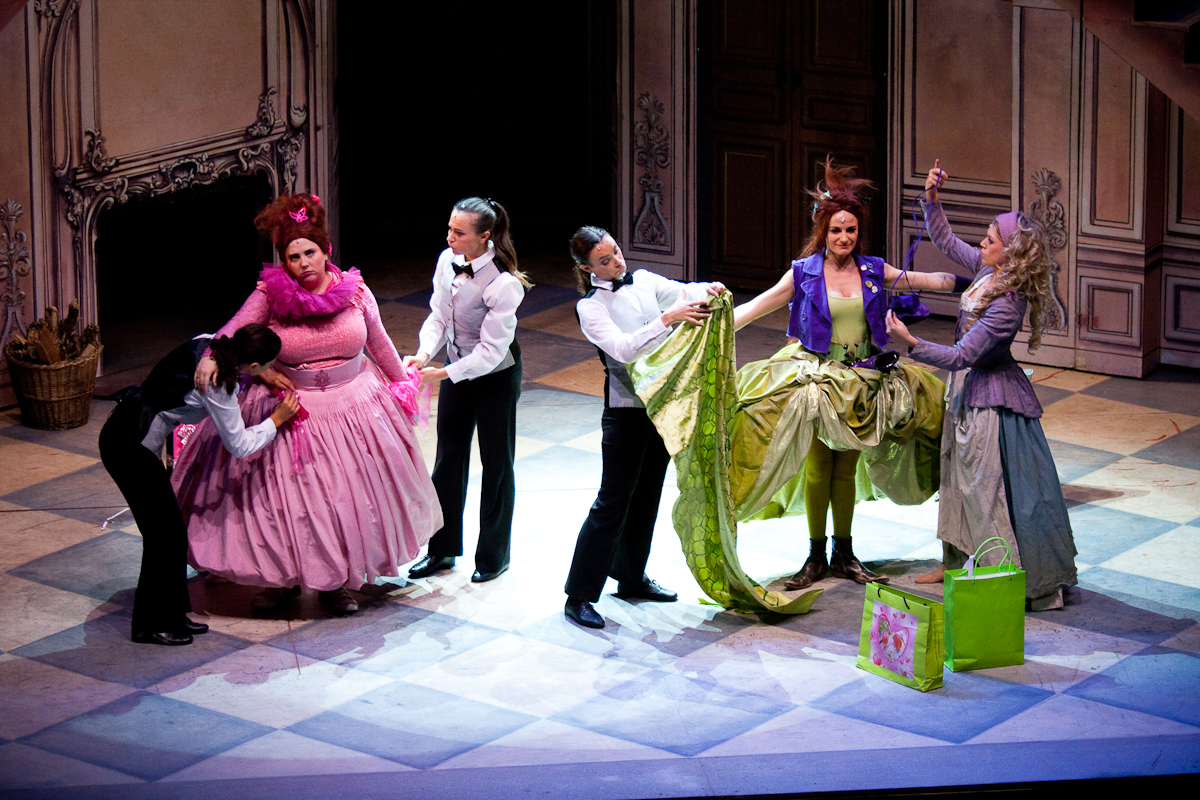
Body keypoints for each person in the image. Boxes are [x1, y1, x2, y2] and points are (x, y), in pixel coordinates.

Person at [177, 193, 442, 615]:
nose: (303, 263)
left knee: (344, 500)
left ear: (326, 251)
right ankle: (283, 581)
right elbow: (234, 329)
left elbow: (380, 343)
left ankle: (335, 584)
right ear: (284, 261)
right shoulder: (270, 295)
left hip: (353, 405)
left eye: (310, 253)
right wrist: (212, 355)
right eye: (293, 256)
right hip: (291, 407)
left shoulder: (355, 292)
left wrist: (400, 387)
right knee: (289, 504)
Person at [731, 156, 960, 591]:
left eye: (851, 230)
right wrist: (715, 323)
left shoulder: (872, 269)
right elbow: (758, 305)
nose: (844, 237)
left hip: (861, 383)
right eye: (836, 230)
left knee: (844, 472)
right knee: (819, 470)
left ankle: (844, 552)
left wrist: (976, 279)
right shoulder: (803, 273)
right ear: (823, 230)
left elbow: (925, 279)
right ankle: (815, 555)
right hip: (819, 380)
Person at [886, 160, 1077, 610]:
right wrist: (932, 198)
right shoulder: (988, 271)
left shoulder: (1008, 302)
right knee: (955, 478)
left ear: (1010, 252)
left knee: (984, 490)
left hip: (990, 400)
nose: (981, 244)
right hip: (965, 389)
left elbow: (963, 356)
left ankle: (999, 578)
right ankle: (954, 562)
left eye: (990, 240)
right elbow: (946, 240)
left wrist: (911, 343)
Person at [564, 226, 725, 628]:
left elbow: (684, 291)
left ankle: (632, 577)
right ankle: (579, 595)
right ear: (587, 268)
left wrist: (710, 289)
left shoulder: (646, 280)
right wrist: (666, 321)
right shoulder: (591, 307)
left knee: (647, 494)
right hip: (625, 410)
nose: (616, 262)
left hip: (659, 405)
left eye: (616, 253)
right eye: (605, 261)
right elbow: (623, 349)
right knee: (613, 500)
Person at [99, 324, 299, 645]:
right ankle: (151, 625)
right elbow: (240, 445)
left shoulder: (207, 345)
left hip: (131, 433)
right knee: (163, 536)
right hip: (129, 445)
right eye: (268, 365)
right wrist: (276, 420)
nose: (271, 370)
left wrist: (260, 374)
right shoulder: (219, 386)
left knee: (171, 533)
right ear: (252, 365)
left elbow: (217, 337)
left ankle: (173, 615)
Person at [405, 197, 528, 584]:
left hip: (496, 377)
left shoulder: (504, 284)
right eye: (449, 229)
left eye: (459, 232)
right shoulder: (448, 260)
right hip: (455, 369)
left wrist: (443, 374)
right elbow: (439, 315)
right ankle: (441, 550)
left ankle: (494, 556)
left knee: (496, 463)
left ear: (485, 236)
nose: (449, 237)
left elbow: (491, 353)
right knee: (448, 459)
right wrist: (424, 353)